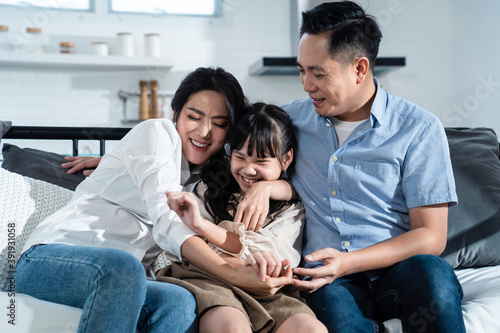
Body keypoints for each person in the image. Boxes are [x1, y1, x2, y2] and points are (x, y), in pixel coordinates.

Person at [15, 67, 291, 333]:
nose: (204, 132)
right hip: (52, 259)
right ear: (175, 114)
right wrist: (231, 275)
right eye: (194, 117)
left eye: (219, 124)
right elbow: (167, 219)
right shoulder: (157, 133)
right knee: (123, 269)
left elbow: (291, 183)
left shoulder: (211, 178)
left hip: (127, 277)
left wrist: (270, 188)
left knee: (178, 301)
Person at [274, 2, 465, 332]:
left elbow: (431, 236)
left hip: (399, 271)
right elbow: (240, 157)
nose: (306, 84)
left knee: (432, 272)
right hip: (329, 281)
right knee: (331, 302)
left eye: (318, 73)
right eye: (301, 71)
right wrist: (265, 183)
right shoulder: (288, 122)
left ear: (359, 69)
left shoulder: (418, 128)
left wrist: (348, 261)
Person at [155, 102, 327, 333]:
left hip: (267, 289)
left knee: (312, 330)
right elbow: (191, 244)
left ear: (286, 159)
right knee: (232, 328)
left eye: (261, 161)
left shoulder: (291, 208)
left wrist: (203, 227)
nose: (248, 170)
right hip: (208, 277)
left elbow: (266, 260)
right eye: (240, 157)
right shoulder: (210, 189)